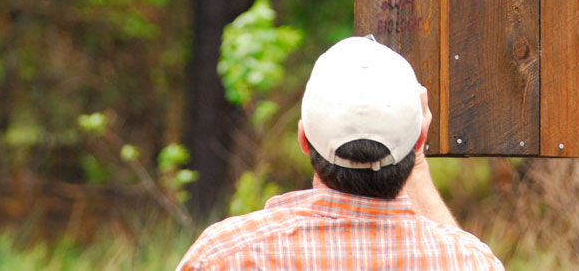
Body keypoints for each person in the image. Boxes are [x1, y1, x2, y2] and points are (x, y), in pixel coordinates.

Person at [175, 36, 505, 270]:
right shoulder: (468, 260)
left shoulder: (225, 256)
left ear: (304, 139)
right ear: (419, 139)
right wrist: (416, 157)